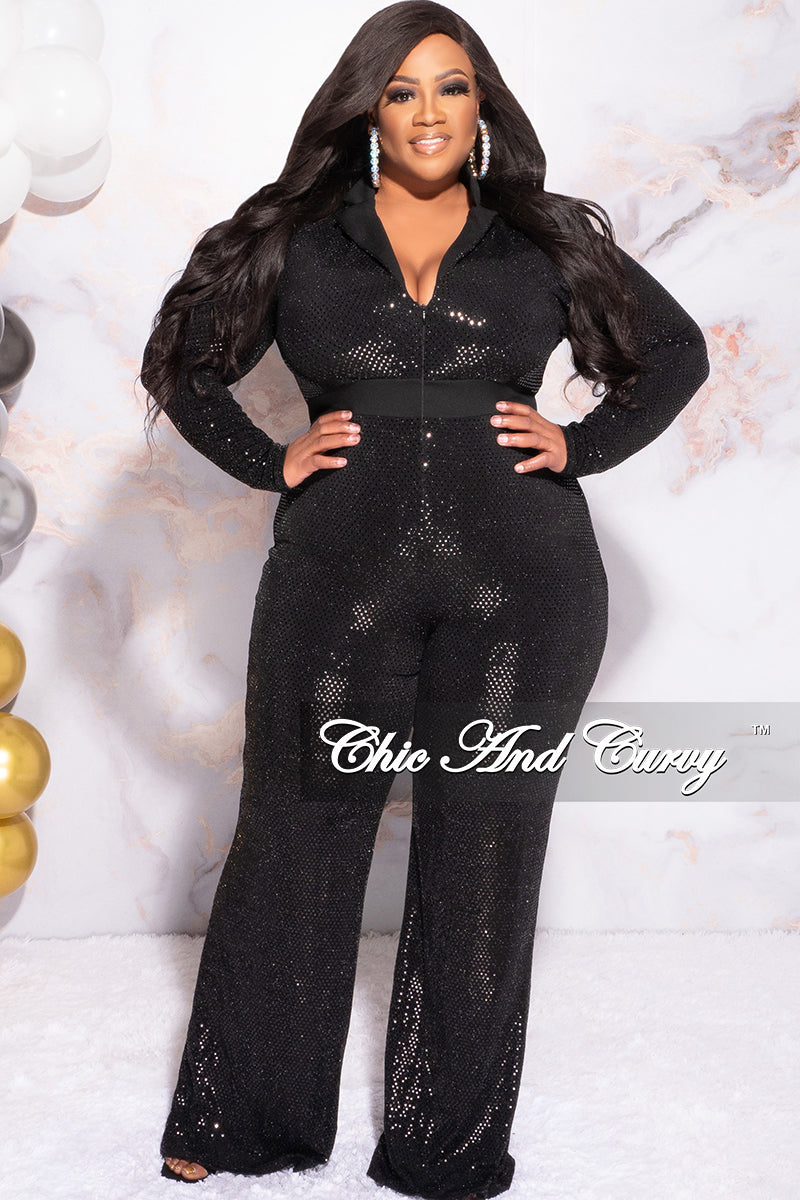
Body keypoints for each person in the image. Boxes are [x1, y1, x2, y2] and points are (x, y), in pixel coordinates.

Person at [139, 3, 710, 1196]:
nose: (428, 113)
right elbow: (182, 361)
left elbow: (673, 351)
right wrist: (269, 462)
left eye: (451, 87)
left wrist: (581, 444)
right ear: (366, 112)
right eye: (400, 91)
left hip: (526, 586)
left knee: (481, 855)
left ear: (481, 105)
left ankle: (444, 1146)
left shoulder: (541, 237)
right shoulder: (296, 238)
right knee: (295, 831)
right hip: (334, 578)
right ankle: (243, 1120)